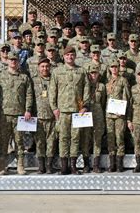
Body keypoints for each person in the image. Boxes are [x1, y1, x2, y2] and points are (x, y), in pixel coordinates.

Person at [49, 46, 90, 175]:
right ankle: (64, 166)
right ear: (64, 56)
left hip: (77, 111)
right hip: (63, 111)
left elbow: (86, 90)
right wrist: (54, 108)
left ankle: (73, 166)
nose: (69, 57)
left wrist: (84, 106)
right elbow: (52, 91)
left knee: (75, 138)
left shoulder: (81, 71)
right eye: (67, 55)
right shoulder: (57, 71)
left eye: (72, 55)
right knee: (63, 138)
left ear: (75, 56)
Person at [0, 52, 33, 175]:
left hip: (20, 115)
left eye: (15, 60)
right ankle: (2, 167)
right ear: (7, 61)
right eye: (11, 60)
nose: (13, 62)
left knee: (19, 142)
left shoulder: (24, 77)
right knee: (3, 142)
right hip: (4, 114)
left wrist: (28, 110)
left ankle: (20, 166)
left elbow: (29, 95)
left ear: (18, 62)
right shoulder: (0, 77)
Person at [104, 59, 131, 172]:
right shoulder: (107, 81)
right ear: (109, 69)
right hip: (109, 114)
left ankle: (119, 163)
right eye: (112, 67)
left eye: (116, 66)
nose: (114, 68)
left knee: (119, 137)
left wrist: (123, 110)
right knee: (110, 138)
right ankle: (112, 163)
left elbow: (127, 97)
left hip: (119, 114)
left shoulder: (123, 80)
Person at [32, 58, 56, 174]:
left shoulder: (54, 79)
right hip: (38, 116)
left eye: (47, 66)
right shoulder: (33, 81)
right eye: (42, 66)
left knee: (51, 142)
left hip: (52, 116)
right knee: (40, 142)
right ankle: (41, 166)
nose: (45, 68)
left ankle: (49, 165)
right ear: (38, 68)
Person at [86, 64, 107, 173]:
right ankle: (86, 164)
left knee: (97, 139)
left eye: (95, 73)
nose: (94, 75)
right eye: (92, 73)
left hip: (98, 113)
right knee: (86, 138)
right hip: (87, 113)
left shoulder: (102, 86)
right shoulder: (85, 85)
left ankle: (96, 164)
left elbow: (103, 102)